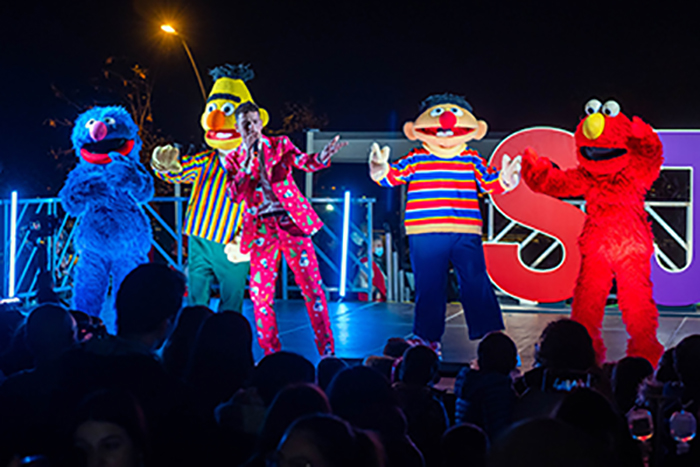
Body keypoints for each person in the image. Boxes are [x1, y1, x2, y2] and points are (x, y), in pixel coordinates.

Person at [369, 94, 521, 354]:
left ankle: (490, 336)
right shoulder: (417, 157)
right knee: (429, 286)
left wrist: (505, 180)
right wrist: (380, 170)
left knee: (475, 282)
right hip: (425, 232)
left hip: (465, 232)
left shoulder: (471, 158)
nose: (446, 122)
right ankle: (427, 338)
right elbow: (393, 176)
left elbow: (489, 182)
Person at [224, 101, 347, 356]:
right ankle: (271, 354)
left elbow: (303, 161)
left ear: (261, 123)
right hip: (260, 230)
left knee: (313, 289)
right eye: (245, 123)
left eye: (255, 122)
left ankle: (327, 352)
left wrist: (323, 156)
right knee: (260, 295)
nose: (251, 127)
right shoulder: (234, 158)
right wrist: (248, 162)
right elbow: (235, 195)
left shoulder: (279, 145)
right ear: (237, 128)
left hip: (291, 223)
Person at [151, 64, 265, 313]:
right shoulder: (206, 160)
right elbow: (178, 173)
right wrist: (164, 165)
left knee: (231, 298)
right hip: (200, 237)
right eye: (212, 109)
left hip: (233, 241)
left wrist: (250, 239)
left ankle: (226, 340)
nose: (216, 119)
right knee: (196, 294)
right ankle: (193, 336)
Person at [355, 235, 388, 302]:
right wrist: (376, 292)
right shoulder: (365, 262)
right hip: (369, 301)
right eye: (378, 246)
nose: (380, 248)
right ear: (371, 248)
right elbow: (364, 282)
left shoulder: (375, 262)